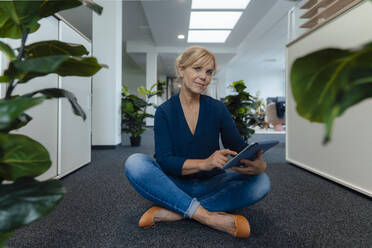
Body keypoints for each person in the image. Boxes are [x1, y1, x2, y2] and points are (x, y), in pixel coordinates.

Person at [124, 46, 270, 238]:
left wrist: (259, 163)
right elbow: (165, 160)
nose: (204, 77)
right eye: (197, 69)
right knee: (135, 163)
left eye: (209, 72)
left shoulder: (217, 109)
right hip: (174, 183)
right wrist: (205, 162)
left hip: (211, 182)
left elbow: (238, 147)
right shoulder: (164, 112)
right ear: (181, 70)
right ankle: (208, 217)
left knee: (262, 182)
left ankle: (177, 209)